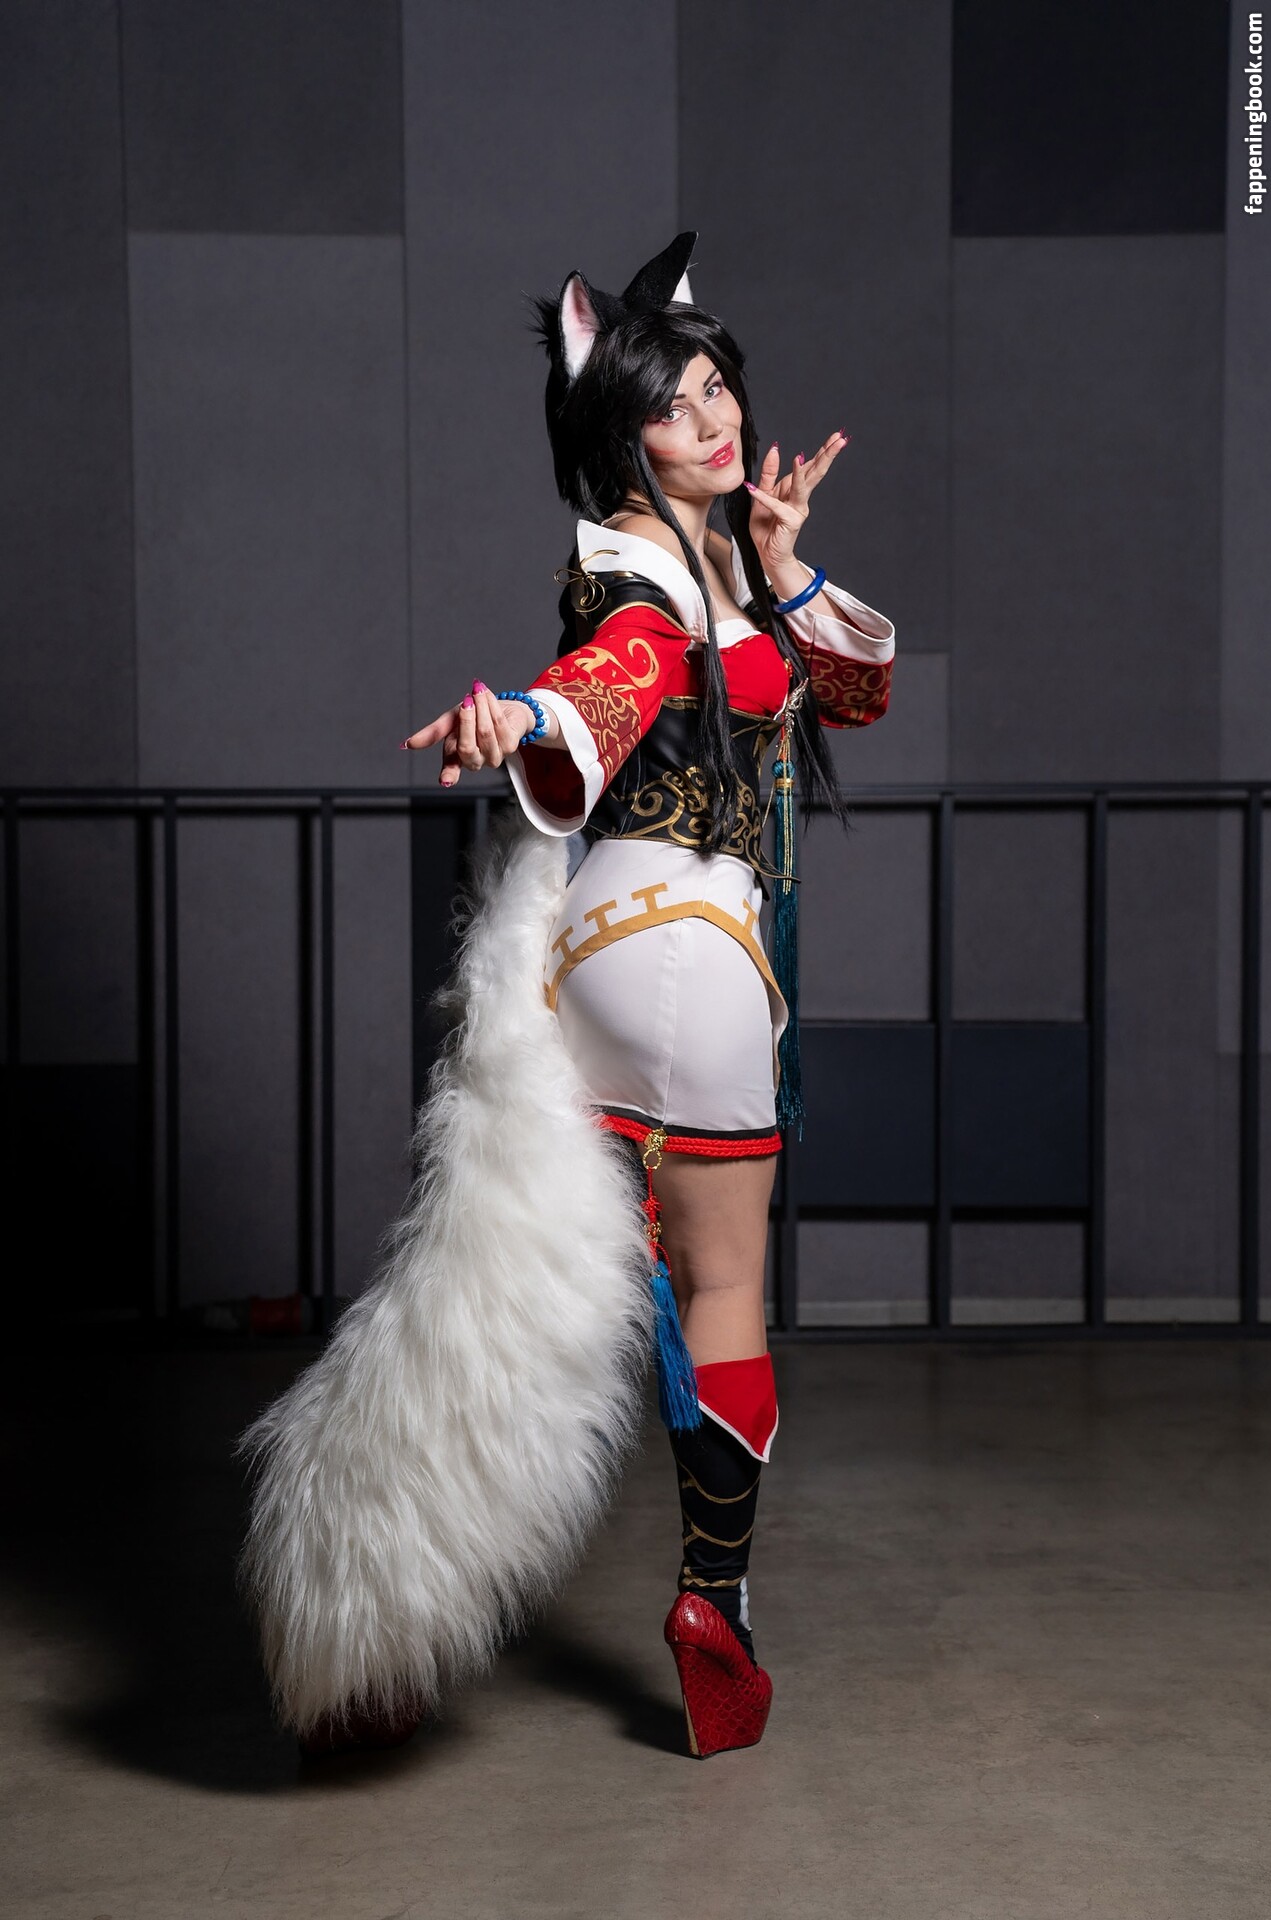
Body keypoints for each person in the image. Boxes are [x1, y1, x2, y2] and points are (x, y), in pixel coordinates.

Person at [237, 232, 894, 1763]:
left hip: (593, 952)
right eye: (677, 402)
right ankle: (715, 1605)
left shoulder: (716, 571)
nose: (716, 419)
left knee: (512, 1273)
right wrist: (519, 720)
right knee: (720, 1288)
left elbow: (856, 688)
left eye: (721, 387)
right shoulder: (643, 578)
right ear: (618, 431)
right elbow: (610, 680)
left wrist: (783, 557)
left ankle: (385, 1617)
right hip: (700, 956)